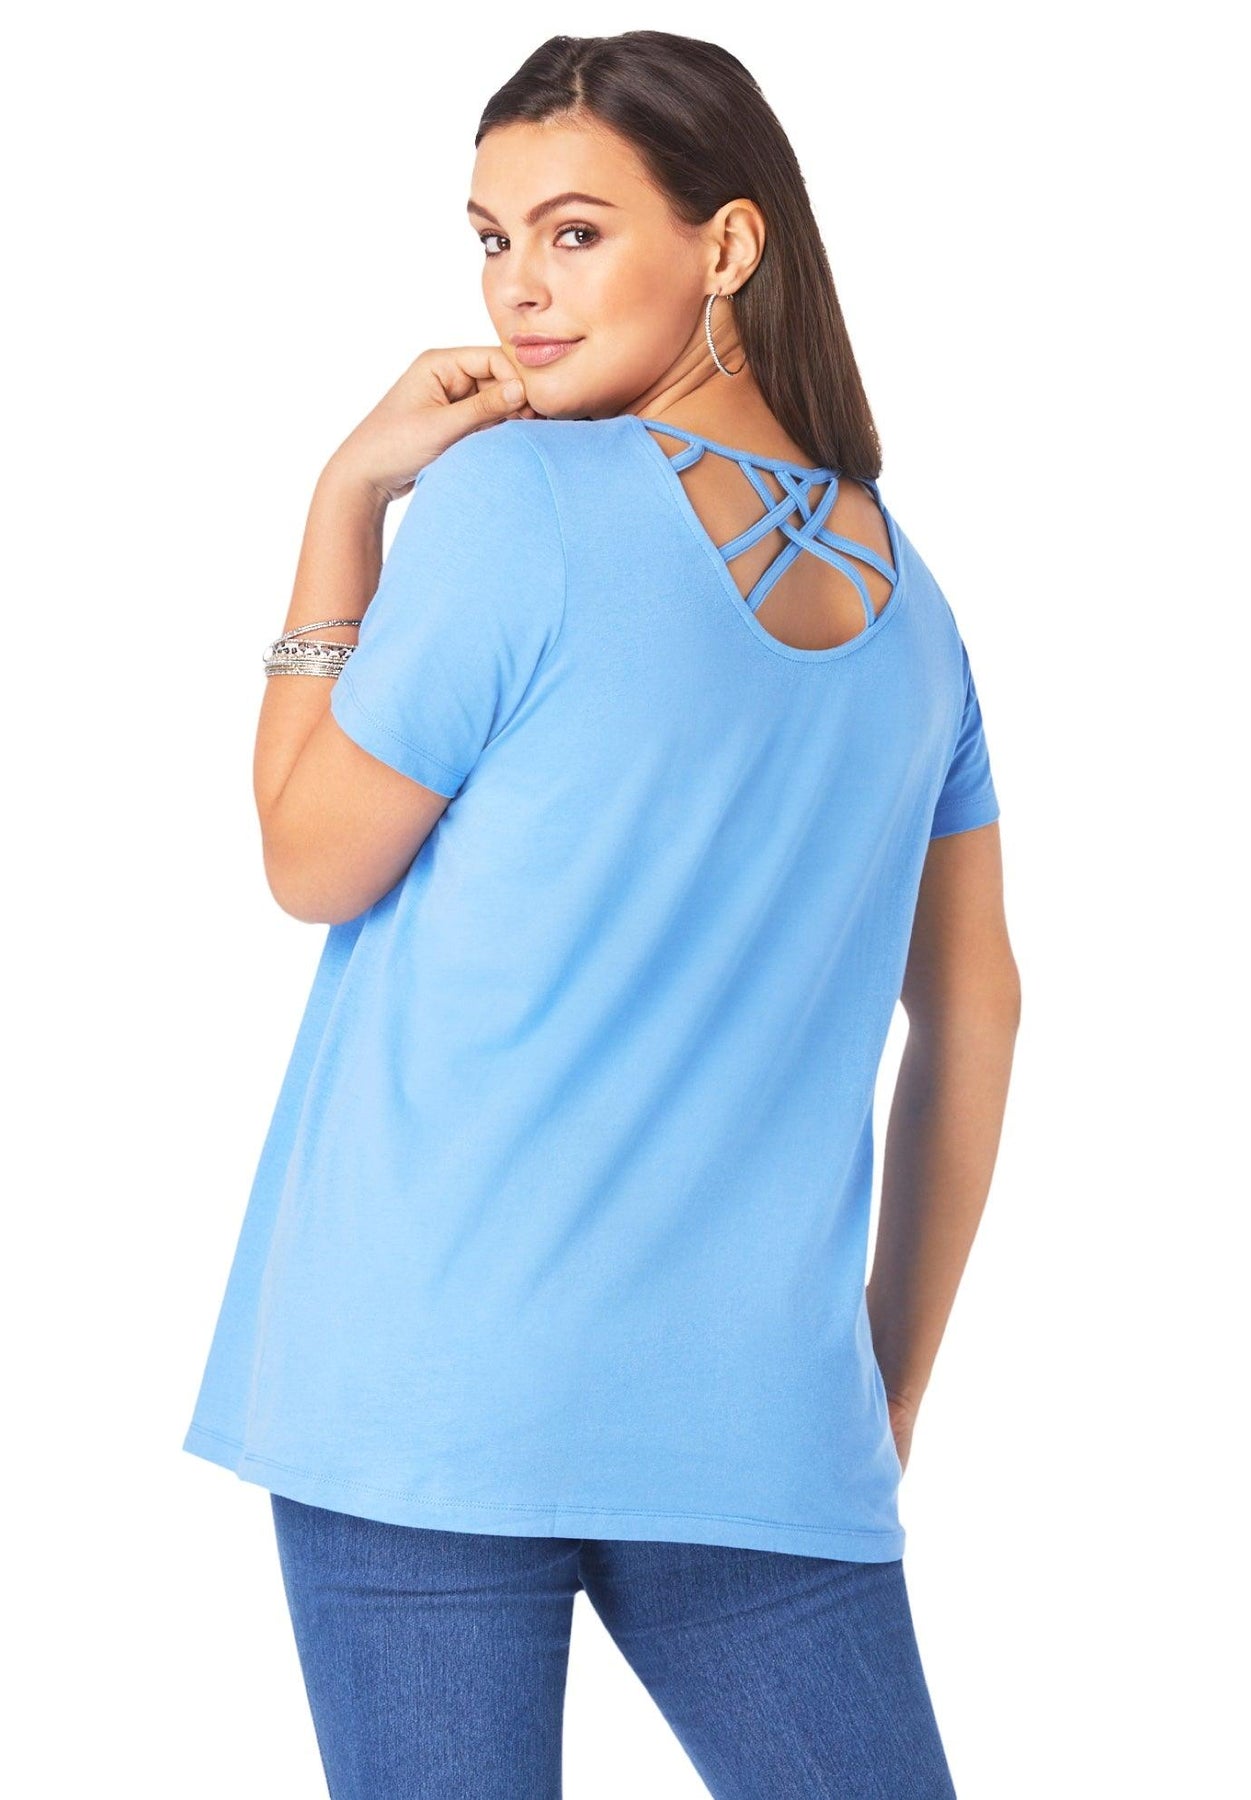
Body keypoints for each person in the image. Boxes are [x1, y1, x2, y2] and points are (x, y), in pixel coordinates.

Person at [181, 28, 1020, 1800]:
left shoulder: (516, 504)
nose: (517, 289)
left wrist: (346, 499)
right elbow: (976, 1012)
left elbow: (307, 859)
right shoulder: (916, 605)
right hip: (756, 1418)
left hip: (426, 1392)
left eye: (573, 233)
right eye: (491, 240)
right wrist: (883, 1386)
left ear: (728, 244)